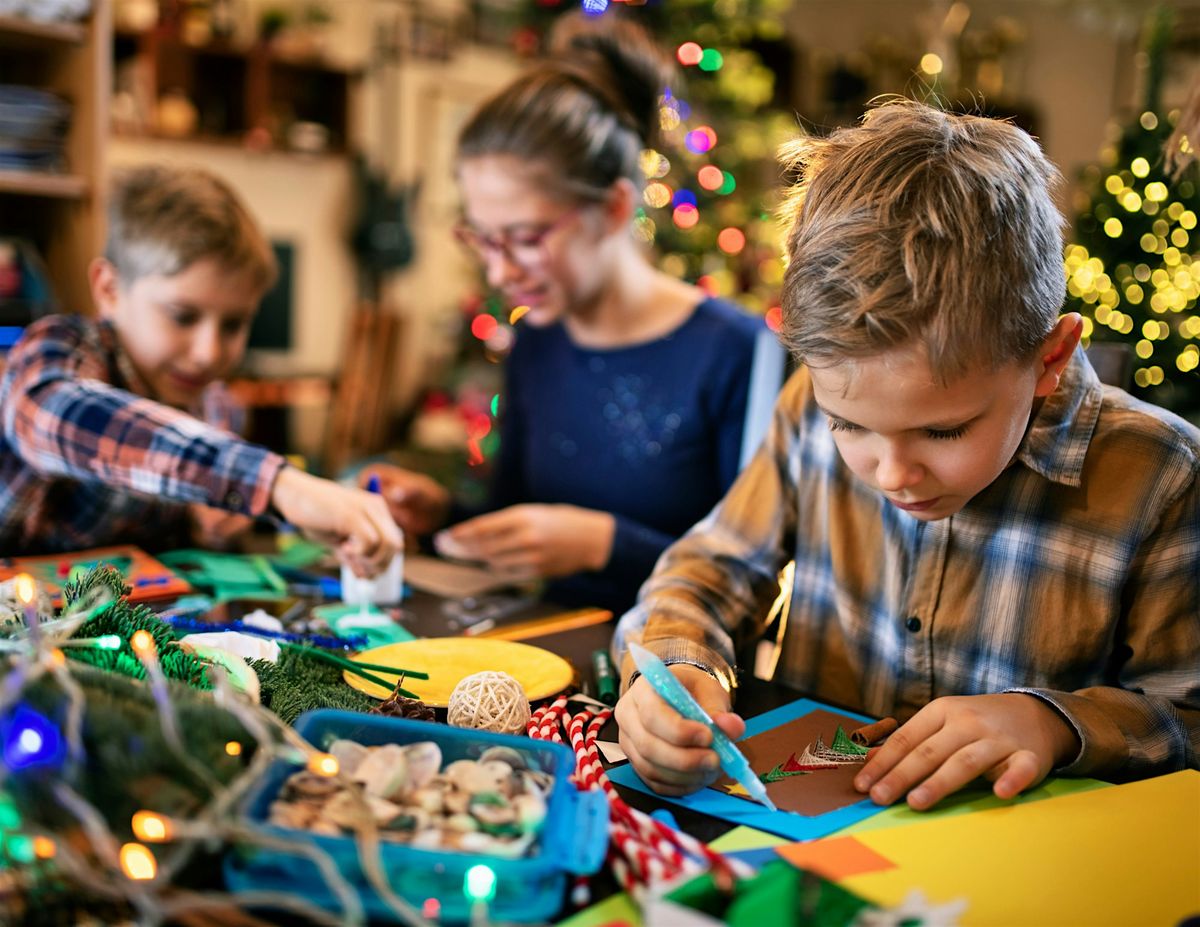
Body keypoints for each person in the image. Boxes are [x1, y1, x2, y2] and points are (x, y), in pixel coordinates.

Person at [613, 100, 1200, 811]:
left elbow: (1189, 717)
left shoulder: (1163, 476)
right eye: (849, 426)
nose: (892, 473)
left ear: (1050, 358)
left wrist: (1056, 723)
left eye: (945, 431)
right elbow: (709, 569)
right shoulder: (807, 406)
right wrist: (676, 671)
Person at [365, 13, 763, 613]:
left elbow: (753, 577)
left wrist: (605, 545)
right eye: (484, 238)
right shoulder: (538, 345)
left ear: (613, 209)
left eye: (524, 237)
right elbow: (518, 521)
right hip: (544, 654)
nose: (499, 273)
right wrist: (443, 515)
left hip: (680, 672)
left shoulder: (737, 352)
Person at [0, 164, 401, 575]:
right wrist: (275, 485)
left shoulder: (216, 408)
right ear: (109, 289)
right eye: (182, 316)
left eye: (233, 324)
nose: (209, 353)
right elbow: (56, 416)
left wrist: (210, 525)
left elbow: (186, 538)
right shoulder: (55, 349)